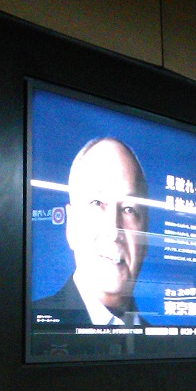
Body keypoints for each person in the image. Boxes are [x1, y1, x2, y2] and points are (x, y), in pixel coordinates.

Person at [32, 137, 149, 326]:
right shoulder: (32, 323)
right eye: (97, 203)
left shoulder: (164, 339)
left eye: (129, 209)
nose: (113, 230)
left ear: (146, 233)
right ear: (72, 225)